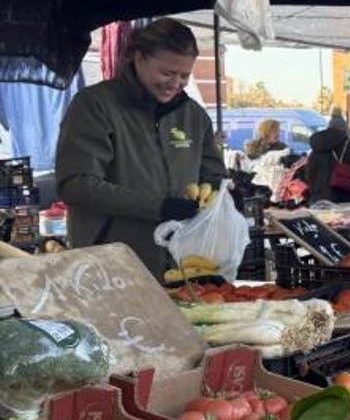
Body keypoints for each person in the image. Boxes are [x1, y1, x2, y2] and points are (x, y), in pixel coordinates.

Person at [55, 18, 224, 278]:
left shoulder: (193, 115)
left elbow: (213, 173)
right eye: (167, 73)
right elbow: (76, 184)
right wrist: (158, 206)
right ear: (138, 57)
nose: (175, 83)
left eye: (184, 75)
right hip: (111, 264)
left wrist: (216, 191)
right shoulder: (95, 106)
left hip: (180, 262)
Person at [301, 111, 350, 204]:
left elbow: (307, 175)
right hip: (349, 203)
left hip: (317, 202)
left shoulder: (315, 149)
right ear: (345, 130)